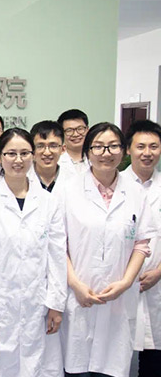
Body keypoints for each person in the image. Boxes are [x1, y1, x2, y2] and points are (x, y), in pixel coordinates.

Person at [0, 128, 66, 377]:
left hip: (37, 304)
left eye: (24, 153)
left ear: (33, 155)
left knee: (37, 366)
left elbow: (56, 257)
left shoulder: (48, 202)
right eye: (11, 153)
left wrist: (55, 304)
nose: (18, 160)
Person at [61, 122, 156, 377]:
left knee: (112, 368)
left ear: (123, 151)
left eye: (113, 146)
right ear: (87, 152)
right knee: (76, 367)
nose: (106, 153)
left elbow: (142, 243)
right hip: (78, 295)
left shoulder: (135, 192)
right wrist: (76, 285)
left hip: (119, 298)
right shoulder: (68, 190)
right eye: (99, 147)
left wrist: (126, 282)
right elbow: (58, 245)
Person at [121, 120, 161, 376]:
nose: (147, 153)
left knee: (153, 360)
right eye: (141, 146)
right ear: (128, 149)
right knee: (117, 359)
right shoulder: (115, 185)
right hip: (121, 284)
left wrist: (159, 272)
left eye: (154, 147)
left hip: (157, 284)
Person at [28, 120, 71, 195]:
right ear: (32, 149)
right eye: (40, 146)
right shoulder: (23, 178)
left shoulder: (73, 180)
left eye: (53, 146)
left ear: (63, 149)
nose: (47, 153)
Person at [57, 109, 90, 176]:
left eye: (80, 129)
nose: (75, 134)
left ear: (87, 130)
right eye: (69, 130)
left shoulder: (97, 157)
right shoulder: (56, 161)